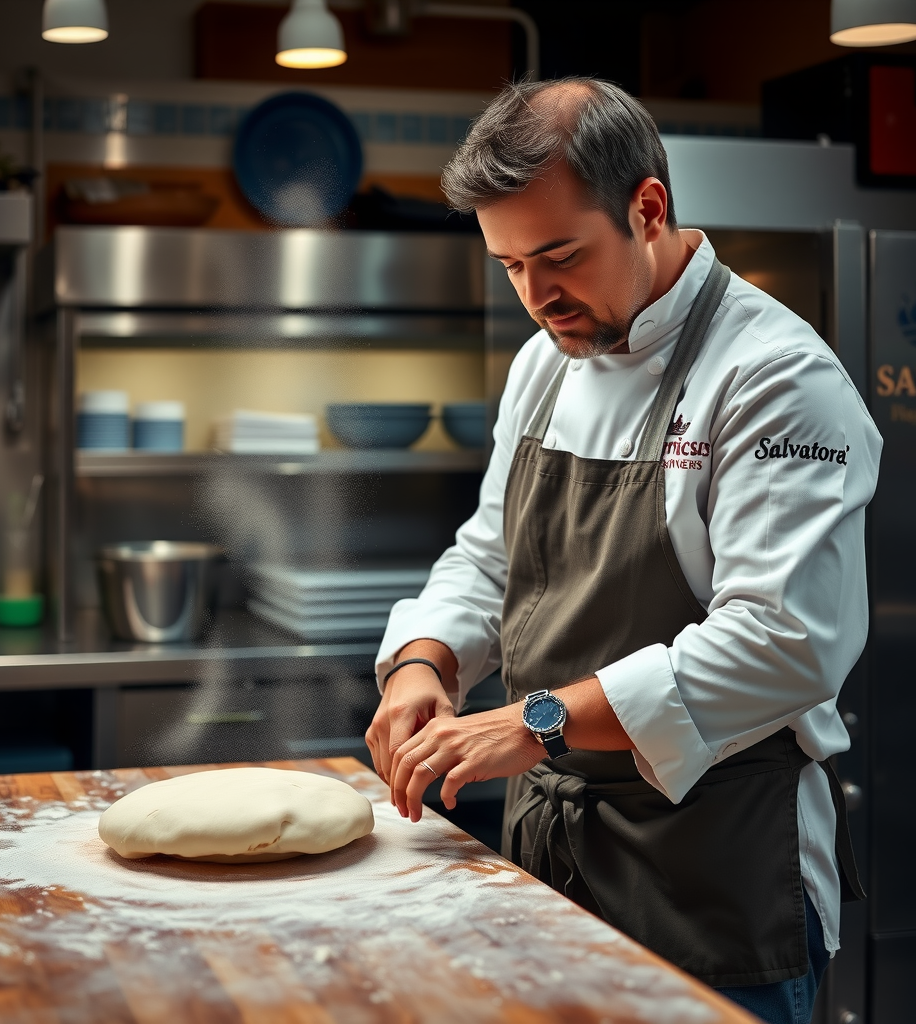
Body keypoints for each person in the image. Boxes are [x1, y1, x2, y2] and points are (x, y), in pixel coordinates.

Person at [364, 78, 882, 1024]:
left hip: (715, 879)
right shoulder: (545, 363)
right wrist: (422, 661)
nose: (536, 296)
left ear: (648, 208)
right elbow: (492, 554)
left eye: (559, 255)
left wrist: (537, 721)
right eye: (510, 266)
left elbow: (786, 642)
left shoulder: (774, 377)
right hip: (548, 866)